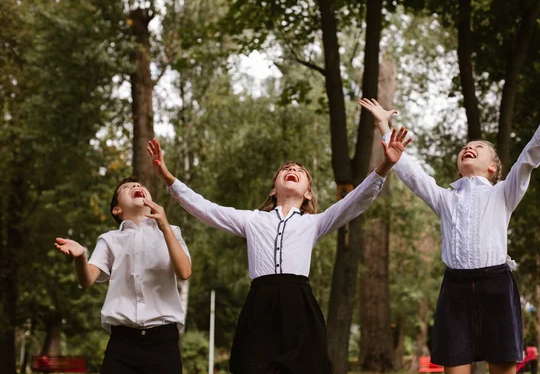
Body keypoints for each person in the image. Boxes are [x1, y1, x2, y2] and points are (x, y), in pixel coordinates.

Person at [359, 66, 540, 374]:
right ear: (458, 167)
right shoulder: (445, 198)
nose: (469, 148)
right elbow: (411, 174)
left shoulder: (505, 193)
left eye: (478, 148)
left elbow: (532, 154)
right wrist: (385, 125)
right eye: (466, 148)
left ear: (493, 167)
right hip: (455, 289)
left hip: (497, 285)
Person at [147, 126, 412, 374]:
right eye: (286, 168)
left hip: (299, 305)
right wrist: (168, 178)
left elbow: (355, 201)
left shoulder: (314, 222)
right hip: (260, 305)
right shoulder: (252, 220)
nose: (292, 169)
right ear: (274, 189)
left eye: (300, 170)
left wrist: (386, 164)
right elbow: (206, 208)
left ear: (308, 193)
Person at [54, 178, 191, 374]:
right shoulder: (109, 240)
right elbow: (87, 279)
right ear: (117, 209)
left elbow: (185, 272)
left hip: (164, 343)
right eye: (127, 187)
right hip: (122, 344)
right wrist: (80, 256)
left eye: (140, 185)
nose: (136, 187)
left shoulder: (172, 232)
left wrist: (165, 226)